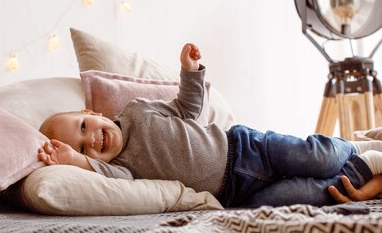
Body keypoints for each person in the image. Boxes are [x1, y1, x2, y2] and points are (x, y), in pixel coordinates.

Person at [38, 43, 382, 208]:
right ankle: (366, 168)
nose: (92, 140)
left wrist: (190, 72)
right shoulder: (123, 170)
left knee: (316, 159)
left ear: (91, 111)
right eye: (83, 148)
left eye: (84, 126)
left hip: (248, 147)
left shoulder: (137, 111)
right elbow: (105, 176)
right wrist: (74, 160)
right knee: (303, 197)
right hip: (237, 192)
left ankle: (357, 147)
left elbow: (186, 109)